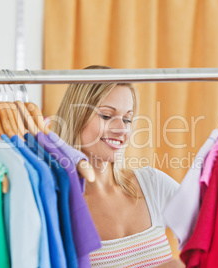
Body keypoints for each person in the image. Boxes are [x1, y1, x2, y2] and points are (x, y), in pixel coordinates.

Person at [53, 65, 183, 267]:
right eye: (106, 115)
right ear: (76, 116)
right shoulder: (56, 203)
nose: (121, 129)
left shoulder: (153, 185)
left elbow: (216, 238)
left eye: (127, 119)